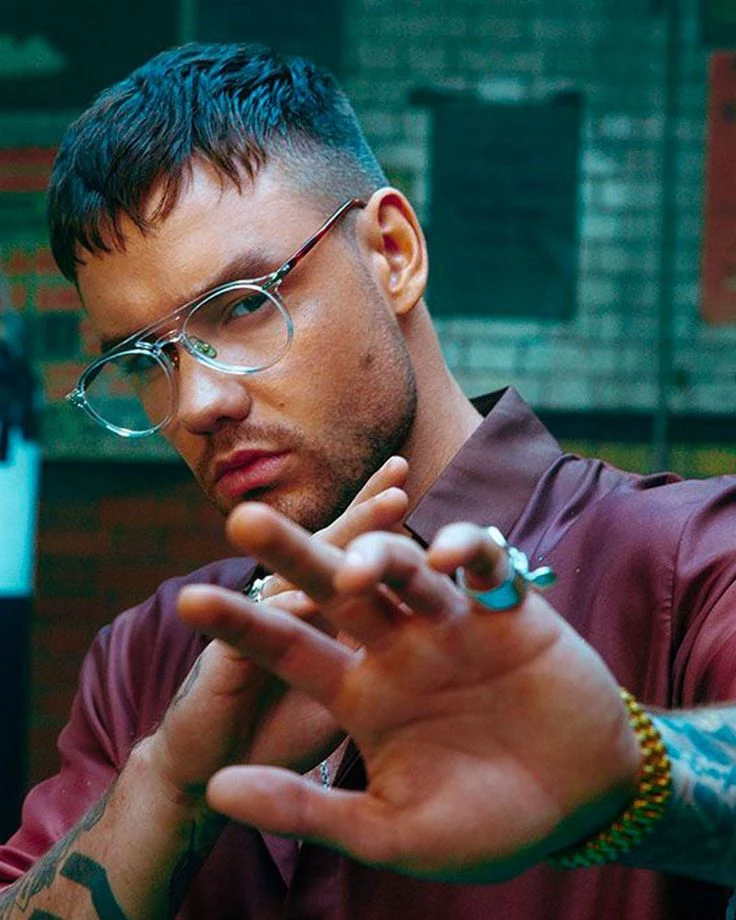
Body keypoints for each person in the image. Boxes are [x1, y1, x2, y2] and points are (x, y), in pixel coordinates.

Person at [0, 39, 734, 920]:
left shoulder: (688, 562)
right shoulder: (151, 654)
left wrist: (627, 770)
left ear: (392, 253)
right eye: (142, 359)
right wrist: (171, 786)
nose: (196, 403)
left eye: (244, 304)